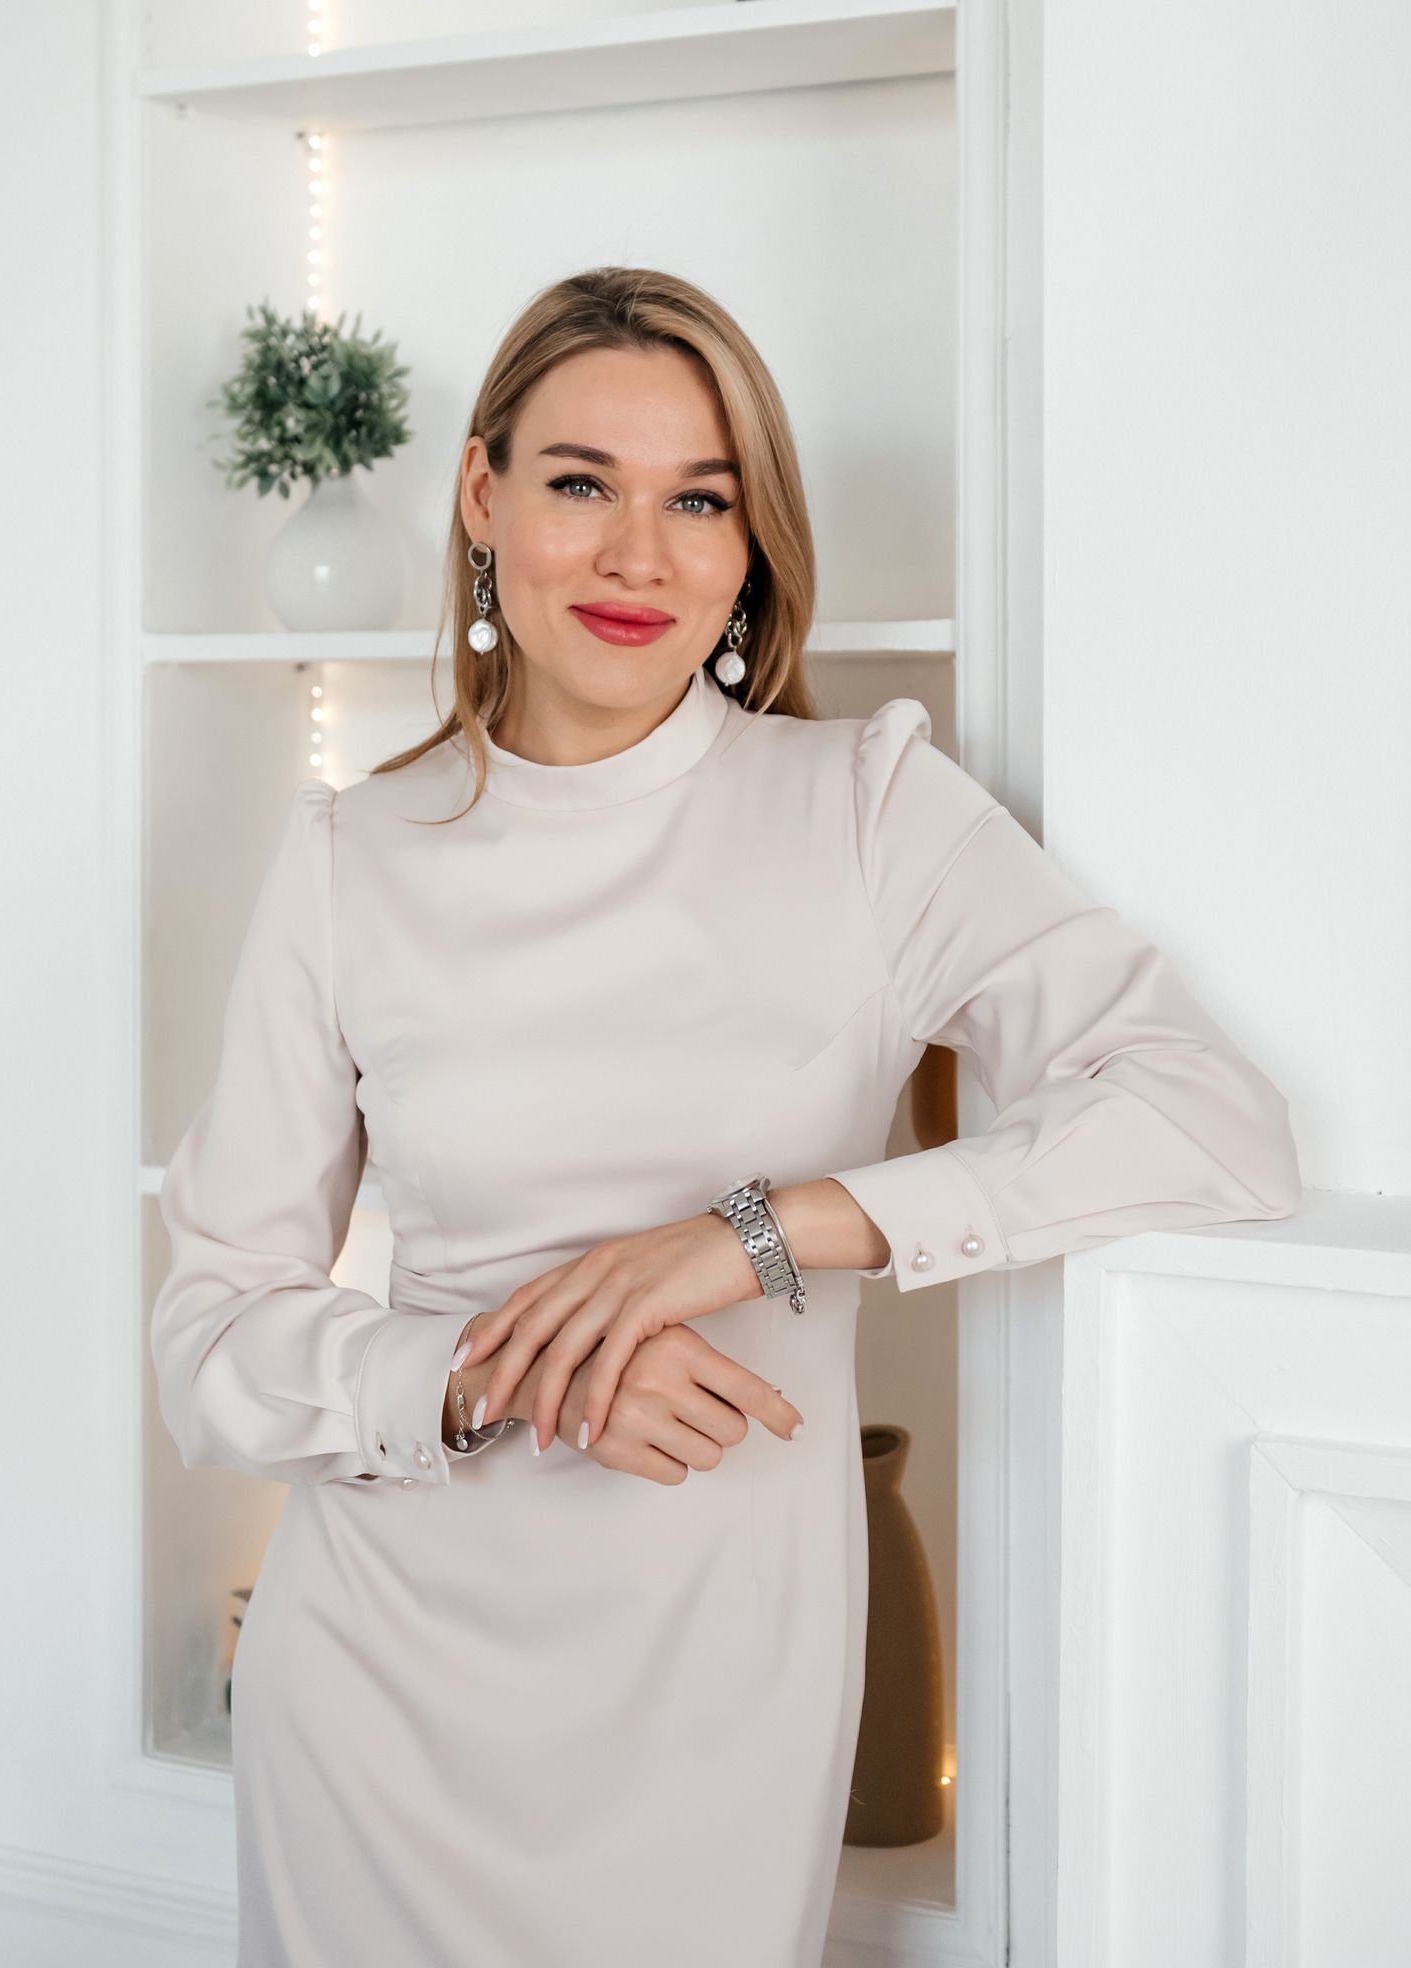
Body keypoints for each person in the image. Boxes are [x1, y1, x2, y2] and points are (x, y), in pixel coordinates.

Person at [149, 264, 1301, 1967]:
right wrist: (485, 1378)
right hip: (378, 1691)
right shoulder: (349, 856)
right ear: (481, 497)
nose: (641, 555)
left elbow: (1210, 1119)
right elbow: (209, 1334)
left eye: (700, 499)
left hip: (719, 1686)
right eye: (580, 484)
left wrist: (756, 1234)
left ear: (751, 540)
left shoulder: (868, 810)